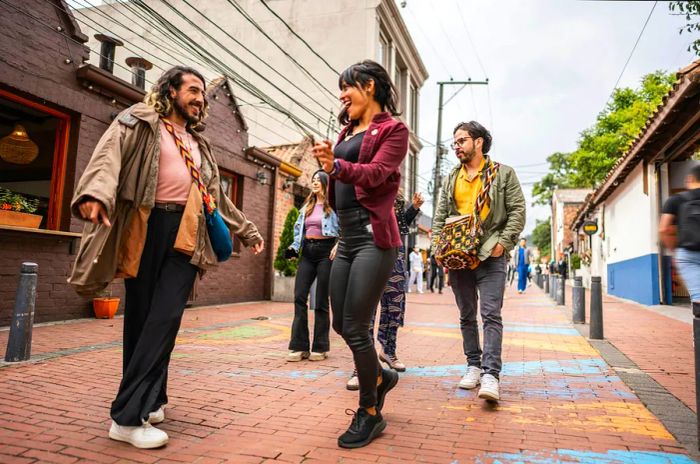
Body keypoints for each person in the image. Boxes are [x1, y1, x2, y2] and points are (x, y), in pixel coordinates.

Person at [69, 66, 264, 449]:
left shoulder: (198, 144)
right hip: (144, 226)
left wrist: (247, 230)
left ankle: (135, 409)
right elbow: (109, 157)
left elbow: (217, 199)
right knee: (142, 319)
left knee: (166, 316)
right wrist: (95, 194)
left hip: (186, 233)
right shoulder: (140, 121)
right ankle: (139, 408)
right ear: (170, 90)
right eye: (193, 90)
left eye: (203, 94)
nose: (199, 99)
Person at [313, 59, 406, 448]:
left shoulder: (393, 131)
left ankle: (370, 411)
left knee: (355, 326)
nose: (341, 96)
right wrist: (328, 169)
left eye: (346, 88)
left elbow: (374, 174)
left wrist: (335, 165)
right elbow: (342, 178)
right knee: (341, 325)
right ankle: (381, 377)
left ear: (368, 86)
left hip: (374, 237)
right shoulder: (346, 130)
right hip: (346, 238)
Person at [432, 120, 525, 402]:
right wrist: (439, 247)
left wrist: (503, 243)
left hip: (491, 256)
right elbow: (439, 217)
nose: (456, 147)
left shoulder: (503, 174)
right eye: (454, 143)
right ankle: (473, 365)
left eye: (461, 141)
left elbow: (517, 211)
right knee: (465, 315)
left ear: (479, 142)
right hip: (459, 258)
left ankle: (490, 375)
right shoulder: (451, 178)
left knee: (491, 314)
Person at [347, 191, 423, 389]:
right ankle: (361, 366)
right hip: (368, 255)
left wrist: (413, 208)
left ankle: (388, 351)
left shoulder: (396, 197)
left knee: (394, 308)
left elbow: (400, 225)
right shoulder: (361, 192)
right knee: (366, 313)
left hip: (394, 257)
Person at [285, 170, 339, 362]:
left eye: (318, 180)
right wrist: (293, 249)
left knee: (321, 300)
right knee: (299, 296)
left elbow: (344, 230)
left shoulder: (333, 206)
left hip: (326, 252)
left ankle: (320, 346)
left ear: (325, 183)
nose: (315, 183)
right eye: (313, 180)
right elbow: (299, 232)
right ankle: (299, 346)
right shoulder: (307, 206)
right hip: (307, 251)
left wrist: (338, 246)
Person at [659, 164, 700, 316]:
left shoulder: (677, 200)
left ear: (690, 179)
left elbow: (663, 229)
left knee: (698, 299)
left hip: (687, 254)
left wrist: (674, 251)